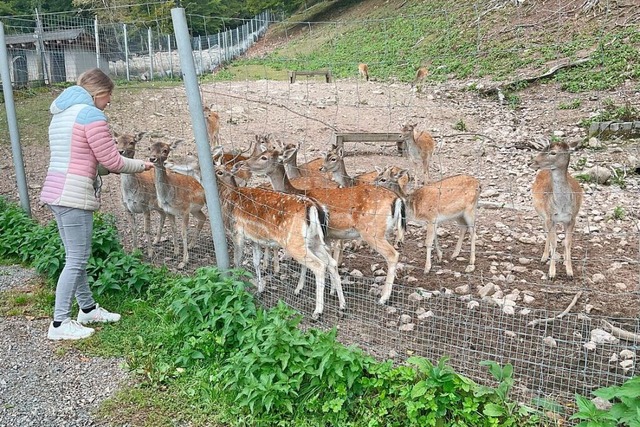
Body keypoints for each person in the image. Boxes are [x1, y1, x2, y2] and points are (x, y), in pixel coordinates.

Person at [40, 68, 154, 341]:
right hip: (73, 195)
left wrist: (102, 169)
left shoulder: (62, 114)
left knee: (73, 257)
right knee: (77, 259)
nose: (109, 103)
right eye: (109, 97)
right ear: (100, 93)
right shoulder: (91, 114)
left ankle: (87, 309)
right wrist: (143, 165)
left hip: (56, 190)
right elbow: (113, 161)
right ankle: (59, 323)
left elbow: (84, 158)